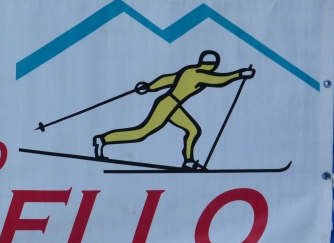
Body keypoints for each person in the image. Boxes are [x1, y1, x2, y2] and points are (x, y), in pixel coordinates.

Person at [92, 51, 254, 169]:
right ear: (213, 65)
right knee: (141, 133)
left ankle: (189, 161)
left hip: (171, 104)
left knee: (193, 130)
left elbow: (167, 79)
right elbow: (220, 80)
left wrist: (149, 87)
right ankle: (103, 140)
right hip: (168, 105)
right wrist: (240, 74)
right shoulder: (201, 74)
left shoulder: (189, 71)